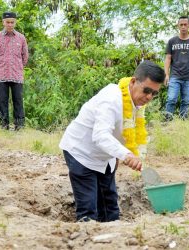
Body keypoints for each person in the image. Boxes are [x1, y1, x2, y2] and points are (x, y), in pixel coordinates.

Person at [59, 60, 165, 222]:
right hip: (81, 152)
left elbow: (123, 132)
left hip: (106, 156)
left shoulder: (137, 103)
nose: (149, 97)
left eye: (154, 93)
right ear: (133, 82)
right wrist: (126, 155)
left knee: (109, 205)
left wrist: (115, 155)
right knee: (88, 208)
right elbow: (101, 135)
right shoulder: (111, 99)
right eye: (147, 90)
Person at [0, 11, 29, 131]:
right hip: (1, 75)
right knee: (2, 101)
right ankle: (4, 126)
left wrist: (18, 67)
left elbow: (25, 56)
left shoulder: (21, 38)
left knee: (18, 100)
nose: (10, 24)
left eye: (12, 22)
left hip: (17, 75)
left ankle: (20, 126)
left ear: (15, 22)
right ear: (3, 22)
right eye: (7, 22)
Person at [164, 16, 189, 120]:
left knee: (186, 101)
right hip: (175, 76)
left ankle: (183, 121)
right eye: (181, 25)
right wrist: (166, 74)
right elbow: (168, 58)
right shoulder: (172, 41)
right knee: (171, 99)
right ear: (178, 26)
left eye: (185, 24)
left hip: (188, 77)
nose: (183, 27)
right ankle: (167, 120)